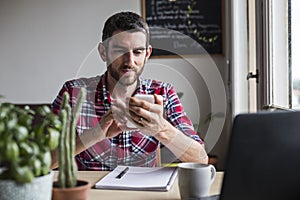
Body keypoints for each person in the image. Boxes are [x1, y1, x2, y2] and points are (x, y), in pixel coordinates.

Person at [51, 11, 208, 171]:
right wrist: (95, 134)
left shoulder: (163, 93)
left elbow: (201, 159)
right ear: (103, 52)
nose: (130, 61)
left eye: (138, 52)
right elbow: (45, 161)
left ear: (147, 54)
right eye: (120, 51)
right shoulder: (73, 93)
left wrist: (161, 129)